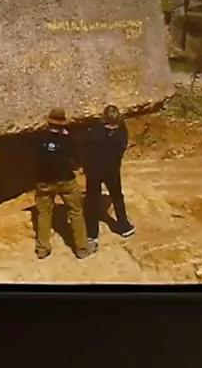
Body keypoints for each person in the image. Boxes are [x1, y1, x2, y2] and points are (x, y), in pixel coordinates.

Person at [33, 107, 93, 260]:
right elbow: (76, 160)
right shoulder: (68, 140)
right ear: (62, 124)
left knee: (44, 214)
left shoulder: (38, 139)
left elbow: (34, 159)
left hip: (44, 182)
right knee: (76, 212)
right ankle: (81, 249)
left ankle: (42, 249)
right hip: (66, 180)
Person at [84, 104, 135, 241]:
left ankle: (91, 233)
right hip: (111, 170)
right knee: (117, 196)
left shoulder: (94, 130)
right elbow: (121, 148)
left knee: (92, 200)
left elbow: (86, 149)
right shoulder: (121, 131)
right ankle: (124, 226)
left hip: (94, 170)